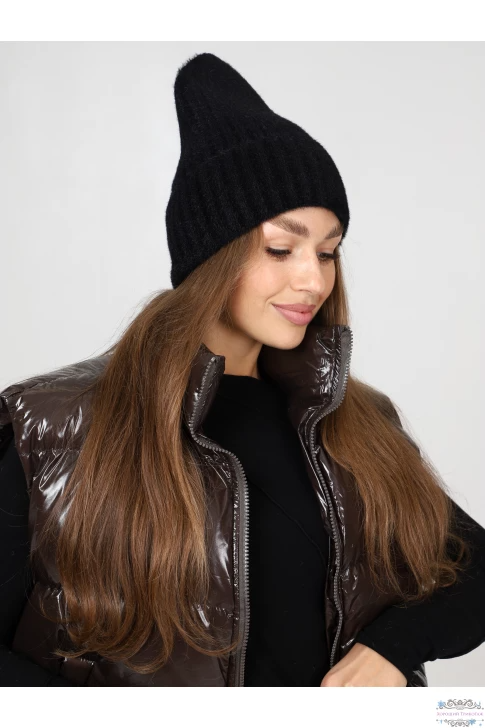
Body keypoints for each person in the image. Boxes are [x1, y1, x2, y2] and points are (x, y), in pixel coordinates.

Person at [1, 52, 484, 688]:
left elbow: (473, 569)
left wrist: (393, 647)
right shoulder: (51, 424)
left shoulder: (357, 420)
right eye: (281, 249)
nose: (313, 281)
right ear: (211, 256)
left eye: (328, 252)